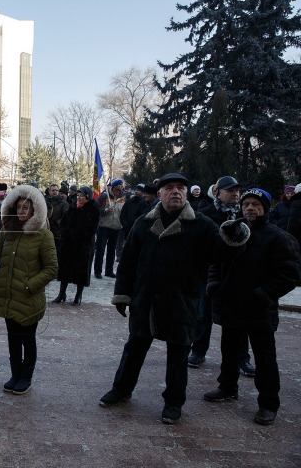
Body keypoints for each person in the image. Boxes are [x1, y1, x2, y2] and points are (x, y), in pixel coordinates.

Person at [100, 173, 251, 425]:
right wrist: (123, 295)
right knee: (134, 349)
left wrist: (234, 238)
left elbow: (220, 253)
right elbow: (128, 262)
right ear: (159, 194)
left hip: (182, 301)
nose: (176, 192)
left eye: (180, 187)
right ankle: (121, 389)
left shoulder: (201, 224)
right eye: (169, 188)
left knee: (178, 357)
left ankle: (173, 402)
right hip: (145, 301)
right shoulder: (143, 223)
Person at [203, 188, 301, 425]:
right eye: (246, 203)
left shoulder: (278, 238)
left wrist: (263, 294)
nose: (249, 208)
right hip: (231, 305)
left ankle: (268, 403)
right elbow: (216, 259)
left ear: (265, 208)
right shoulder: (232, 229)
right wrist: (215, 284)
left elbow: (289, 274)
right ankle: (227, 387)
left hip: (259, 309)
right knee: (229, 349)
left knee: (264, 357)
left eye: (255, 204)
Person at [0, 185, 57, 394]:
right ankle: (15, 373)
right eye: (18, 207)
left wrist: (29, 286)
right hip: (8, 296)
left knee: (27, 338)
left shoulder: (43, 235)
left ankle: (26, 376)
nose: (21, 211)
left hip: (29, 299)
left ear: (35, 209)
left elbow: (51, 268)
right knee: (12, 338)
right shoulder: (7, 230)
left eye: (26, 207)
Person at [193, 176, 255, 376]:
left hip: (239, 276)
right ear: (217, 193)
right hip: (209, 275)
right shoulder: (204, 215)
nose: (235, 194)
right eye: (230, 191)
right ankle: (198, 351)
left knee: (240, 319)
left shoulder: (246, 215)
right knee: (204, 314)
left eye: (237, 190)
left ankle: (242, 358)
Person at [54, 186, 100, 305]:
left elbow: (91, 229)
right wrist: (66, 233)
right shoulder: (72, 207)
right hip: (68, 244)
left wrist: (74, 234)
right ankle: (61, 293)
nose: (78, 198)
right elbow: (63, 223)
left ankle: (78, 295)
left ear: (88, 197)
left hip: (83, 245)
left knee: (82, 271)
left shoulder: (93, 210)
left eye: (81, 196)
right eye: (78, 195)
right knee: (65, 269)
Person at [94, 178, 125, 279]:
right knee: (100, 249)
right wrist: (106, 210)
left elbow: (124, 212)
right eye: (119, 184)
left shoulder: (124, 197)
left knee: (111, 251)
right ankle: (97, 271)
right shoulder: (104, 196)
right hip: (104, 226)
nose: (121, 186)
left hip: (116, 227)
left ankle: (109, 271)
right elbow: (96, 209)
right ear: (114, 186)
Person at [46, 184, 69, 303]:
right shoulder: (45, 201)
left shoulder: (63, 203)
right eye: (53, 190)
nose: (55, 192)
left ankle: (56, 272)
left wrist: (56, 223)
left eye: (56, 190)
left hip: (58, 233)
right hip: (47, 232)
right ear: (49, 191)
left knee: (58, 254)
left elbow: (66, 217)